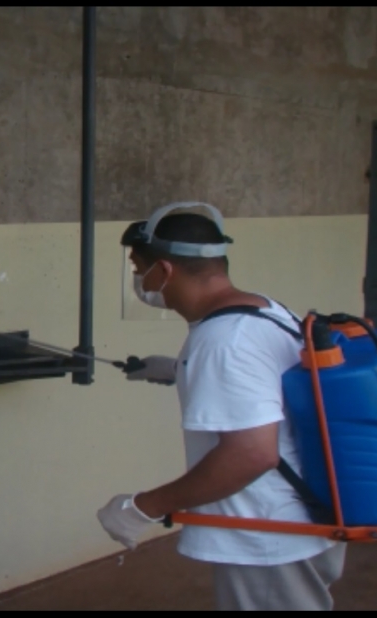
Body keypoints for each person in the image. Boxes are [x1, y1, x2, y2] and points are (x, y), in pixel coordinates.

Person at [96, 202, 346, 611]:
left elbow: (252, 454)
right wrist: (178, 370)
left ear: (164, 270)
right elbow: (266, 381)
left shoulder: (223, 341)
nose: (139, 280)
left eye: (139, 268)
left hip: (268, 533)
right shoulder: (263, 309)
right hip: (303, 513)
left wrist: (143, 508)